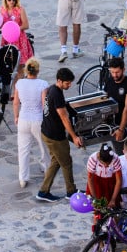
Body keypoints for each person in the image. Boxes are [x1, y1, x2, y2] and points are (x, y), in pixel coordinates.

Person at [36, 66, 83, 202]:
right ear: (59, 81)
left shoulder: (52, 89)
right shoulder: (56, 94)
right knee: (66, 162)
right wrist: (74, 137)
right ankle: (71, 191)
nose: (69, 85)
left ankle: (43, 191)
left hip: (46, 131)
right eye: (67, 83)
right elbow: (64, 117)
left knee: (56, 161)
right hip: (55, 136)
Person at [13, 56, 48, 189]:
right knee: (43, 147)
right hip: (38, 120)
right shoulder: (42, 84)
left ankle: (23, 177)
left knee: (23, 150)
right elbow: (44, 104)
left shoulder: (20, 84)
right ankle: (46, 169)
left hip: (23, 118)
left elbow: (16, 102)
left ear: (26, 70)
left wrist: (16, 116)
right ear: (38, 71)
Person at [104, 56, 127, 154]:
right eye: (112, 72)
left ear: (123, 70)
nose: (114, 75)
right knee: (120, 155)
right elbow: (105, 100)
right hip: (115, 124)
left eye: (117, 72)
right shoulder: (109, 81)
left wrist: (121, 130)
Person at [0, 0, 32, 76]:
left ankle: (18, 86)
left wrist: (15, 29)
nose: (12, 1)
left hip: (19, 39)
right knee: (8, 63)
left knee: (19, 66)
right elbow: (1, 24)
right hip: (7, 39)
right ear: (5, 0)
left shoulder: (20, 10)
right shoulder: (2, 10)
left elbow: (26, 25)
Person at [86, 142, 122, 208]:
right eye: (104, 163)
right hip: (97, 184)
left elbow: (119, 180)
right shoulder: (93, 159)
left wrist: (113, 199)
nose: (106, 165)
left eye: (108, 164)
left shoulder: (115, 159)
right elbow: (90, 179)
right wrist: (94, 199)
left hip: (111, 185)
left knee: (114, 209)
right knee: (98, 210)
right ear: (99, 158)